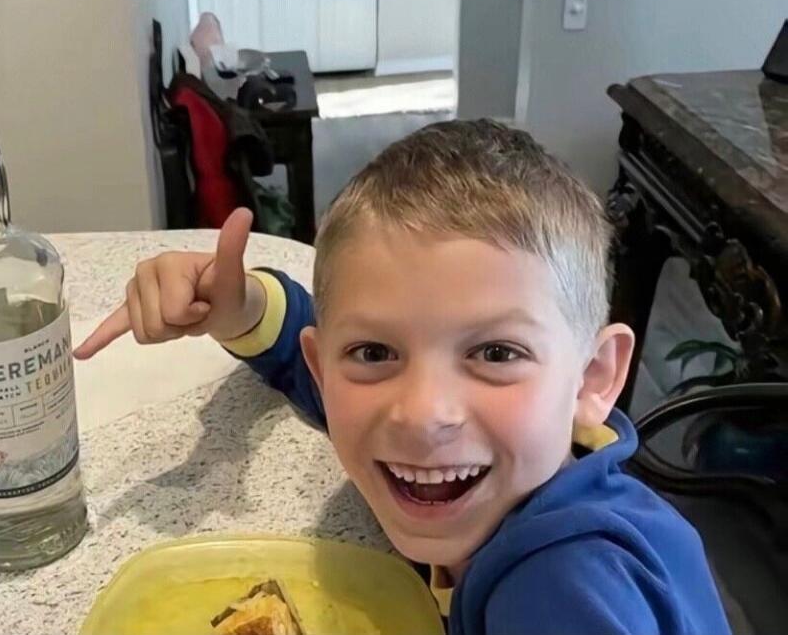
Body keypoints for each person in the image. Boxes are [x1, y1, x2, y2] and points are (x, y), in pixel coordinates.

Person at [75, 120, 730, 635]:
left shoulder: (558, 588)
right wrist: (242, 307)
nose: (420, 413)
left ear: (591, 379)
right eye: (376, 353)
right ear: (325, 370)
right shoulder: (524, 455)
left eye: (495, 353)